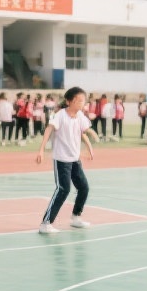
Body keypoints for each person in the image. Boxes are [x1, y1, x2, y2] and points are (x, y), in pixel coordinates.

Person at [36, 87, 98, 234]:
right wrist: (41, 150)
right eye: (79, 100)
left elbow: (82, 132)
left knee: (84, 187)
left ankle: (76, 217)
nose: (82, 103)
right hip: (62, 159)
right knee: (63, 189)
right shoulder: (60, 115)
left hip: (75, 159)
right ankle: (45, 223)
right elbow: (49, 129)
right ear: (70, 101)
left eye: (83, 101)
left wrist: (90, 148)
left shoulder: (80, 116)